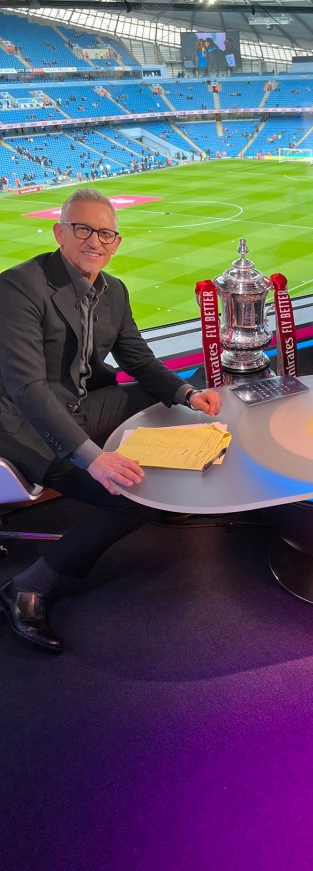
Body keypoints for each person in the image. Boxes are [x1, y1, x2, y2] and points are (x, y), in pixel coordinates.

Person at [0, 188, 221, 653]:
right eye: (83, 229)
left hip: (79, 406)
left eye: (105, 233)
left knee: (162, 403)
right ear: (61, 233)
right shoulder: (18, 287)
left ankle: (173, 471)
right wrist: (92, 458)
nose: (94, 241)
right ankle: (28, 585)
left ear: (115, 242)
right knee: (136, 495)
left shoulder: (114, 290)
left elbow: (139, 360)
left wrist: (187, 394)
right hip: (26, 424)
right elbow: (28, 389)